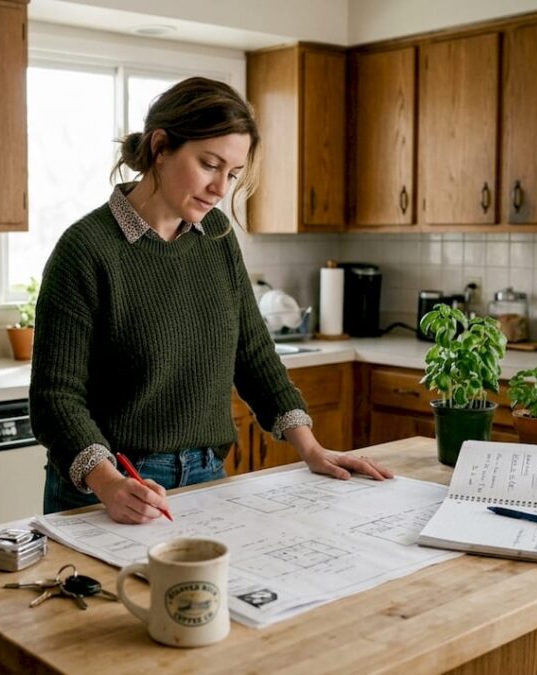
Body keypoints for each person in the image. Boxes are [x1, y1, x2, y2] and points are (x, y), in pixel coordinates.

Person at [29, 76, 393, 524]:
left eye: (233, 174)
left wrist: (311, 449)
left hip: (208, 477)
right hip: (111, 490)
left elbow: (254, 354)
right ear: (161, 147)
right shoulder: (86, 250)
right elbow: (55, 398)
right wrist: (107, 482)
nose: (221, 188)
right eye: (209, 165)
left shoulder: (216, 239)